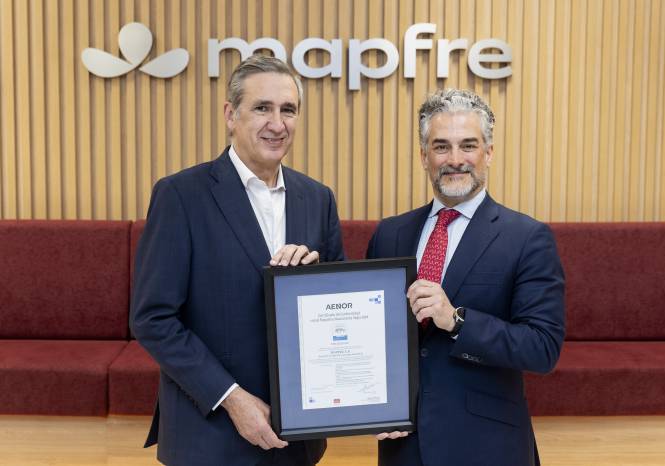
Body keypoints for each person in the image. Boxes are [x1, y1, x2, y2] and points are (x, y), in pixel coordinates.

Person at [130, 55, 344, 466]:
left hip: (296, 437)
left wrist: (315, 278)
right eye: (262, 108)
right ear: (231, 115)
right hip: (210, 434)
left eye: (288, 110)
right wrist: (232, 399)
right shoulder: (181, 195)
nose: (277, 124)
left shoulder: (318, 198)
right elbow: (152, 318)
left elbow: (338, 307)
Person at [367, 88, 565, 466]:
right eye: (441, 146)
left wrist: (457, 321)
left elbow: (542, 348)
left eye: (468, 146)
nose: (455, 159)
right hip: (404, 444)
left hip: (486, 443)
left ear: (488, 153)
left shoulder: (527, 238)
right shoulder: (390, 234)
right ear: (423, 156)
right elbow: (373, 335)